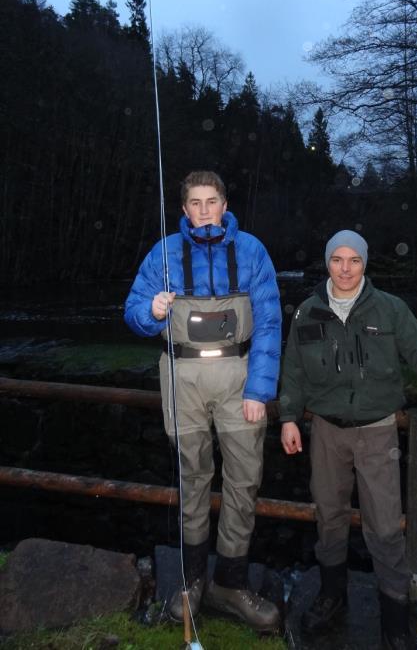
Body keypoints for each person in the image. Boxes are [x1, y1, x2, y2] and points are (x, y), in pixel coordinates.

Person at [279, 230, 417, 649]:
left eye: (354, 260)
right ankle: (332, 596)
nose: (345, 269)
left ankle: (394, 621)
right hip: (327, 433)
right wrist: (289, 418)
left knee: (385, 527)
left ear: (365, 264)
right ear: (327, 262)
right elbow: (293, 369)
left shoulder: (389, 309)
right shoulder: (308, 312)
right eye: (337, 260)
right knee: (328, 517)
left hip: (377, 431)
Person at [125, 170, 281, 631]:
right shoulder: (164, 254)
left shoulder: (252, 251)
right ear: (184, 209)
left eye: (212, 201)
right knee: (192, 478)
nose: (204, 210)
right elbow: (132, 311)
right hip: (182, 378)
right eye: (195, 202)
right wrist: (150, 312)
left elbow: (270, 322)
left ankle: (230, 582)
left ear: (226, 204)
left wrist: (260, 390)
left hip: (239, 377)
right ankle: (193, 580)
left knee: (244, 480)